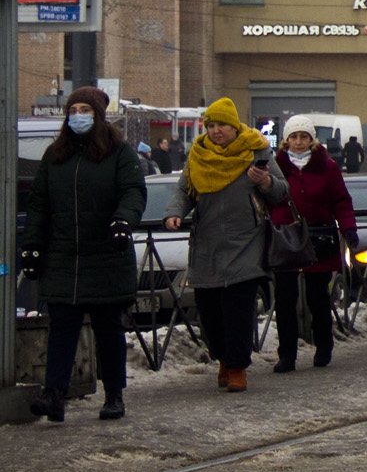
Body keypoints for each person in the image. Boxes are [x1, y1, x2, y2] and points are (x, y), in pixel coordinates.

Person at [21, 86, 146, 423]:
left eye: (85, 110)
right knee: (62, 326)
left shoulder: (119, 153)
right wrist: (31, 245)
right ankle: (54, 394)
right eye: (73, 109)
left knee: (108, 327)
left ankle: (114, 394)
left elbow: (133, 192)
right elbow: (39, 204)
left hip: (106, 252)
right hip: (63, 256)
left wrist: (123, 221)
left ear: (98, 115)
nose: (78, 115)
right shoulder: (55, 155)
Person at [164, 97, 287, 393]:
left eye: (222, 125)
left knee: (238, 310)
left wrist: (266, 182)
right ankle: (223, 358)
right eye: (212, 126)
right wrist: (174, 212)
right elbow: (184, 189)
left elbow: (282, 191)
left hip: (245, 242)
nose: (216, 131)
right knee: (209, 311)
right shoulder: (198, 154)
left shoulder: (255, 150)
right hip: (207, 245)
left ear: (234, 127)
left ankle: (237, 367)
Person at [269, 115, 358, 373]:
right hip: (285, 240)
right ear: (286, 141)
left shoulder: (327, 167)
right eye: (294, 137)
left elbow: (341, 200)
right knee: (285, 300)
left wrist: (349, 227)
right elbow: (267, 200)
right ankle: (287, 355)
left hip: (318, 239)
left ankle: (323, 345)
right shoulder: (276, 168)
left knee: (318, 297)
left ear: (312, 140)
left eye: (304, 137)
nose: (298, 142)